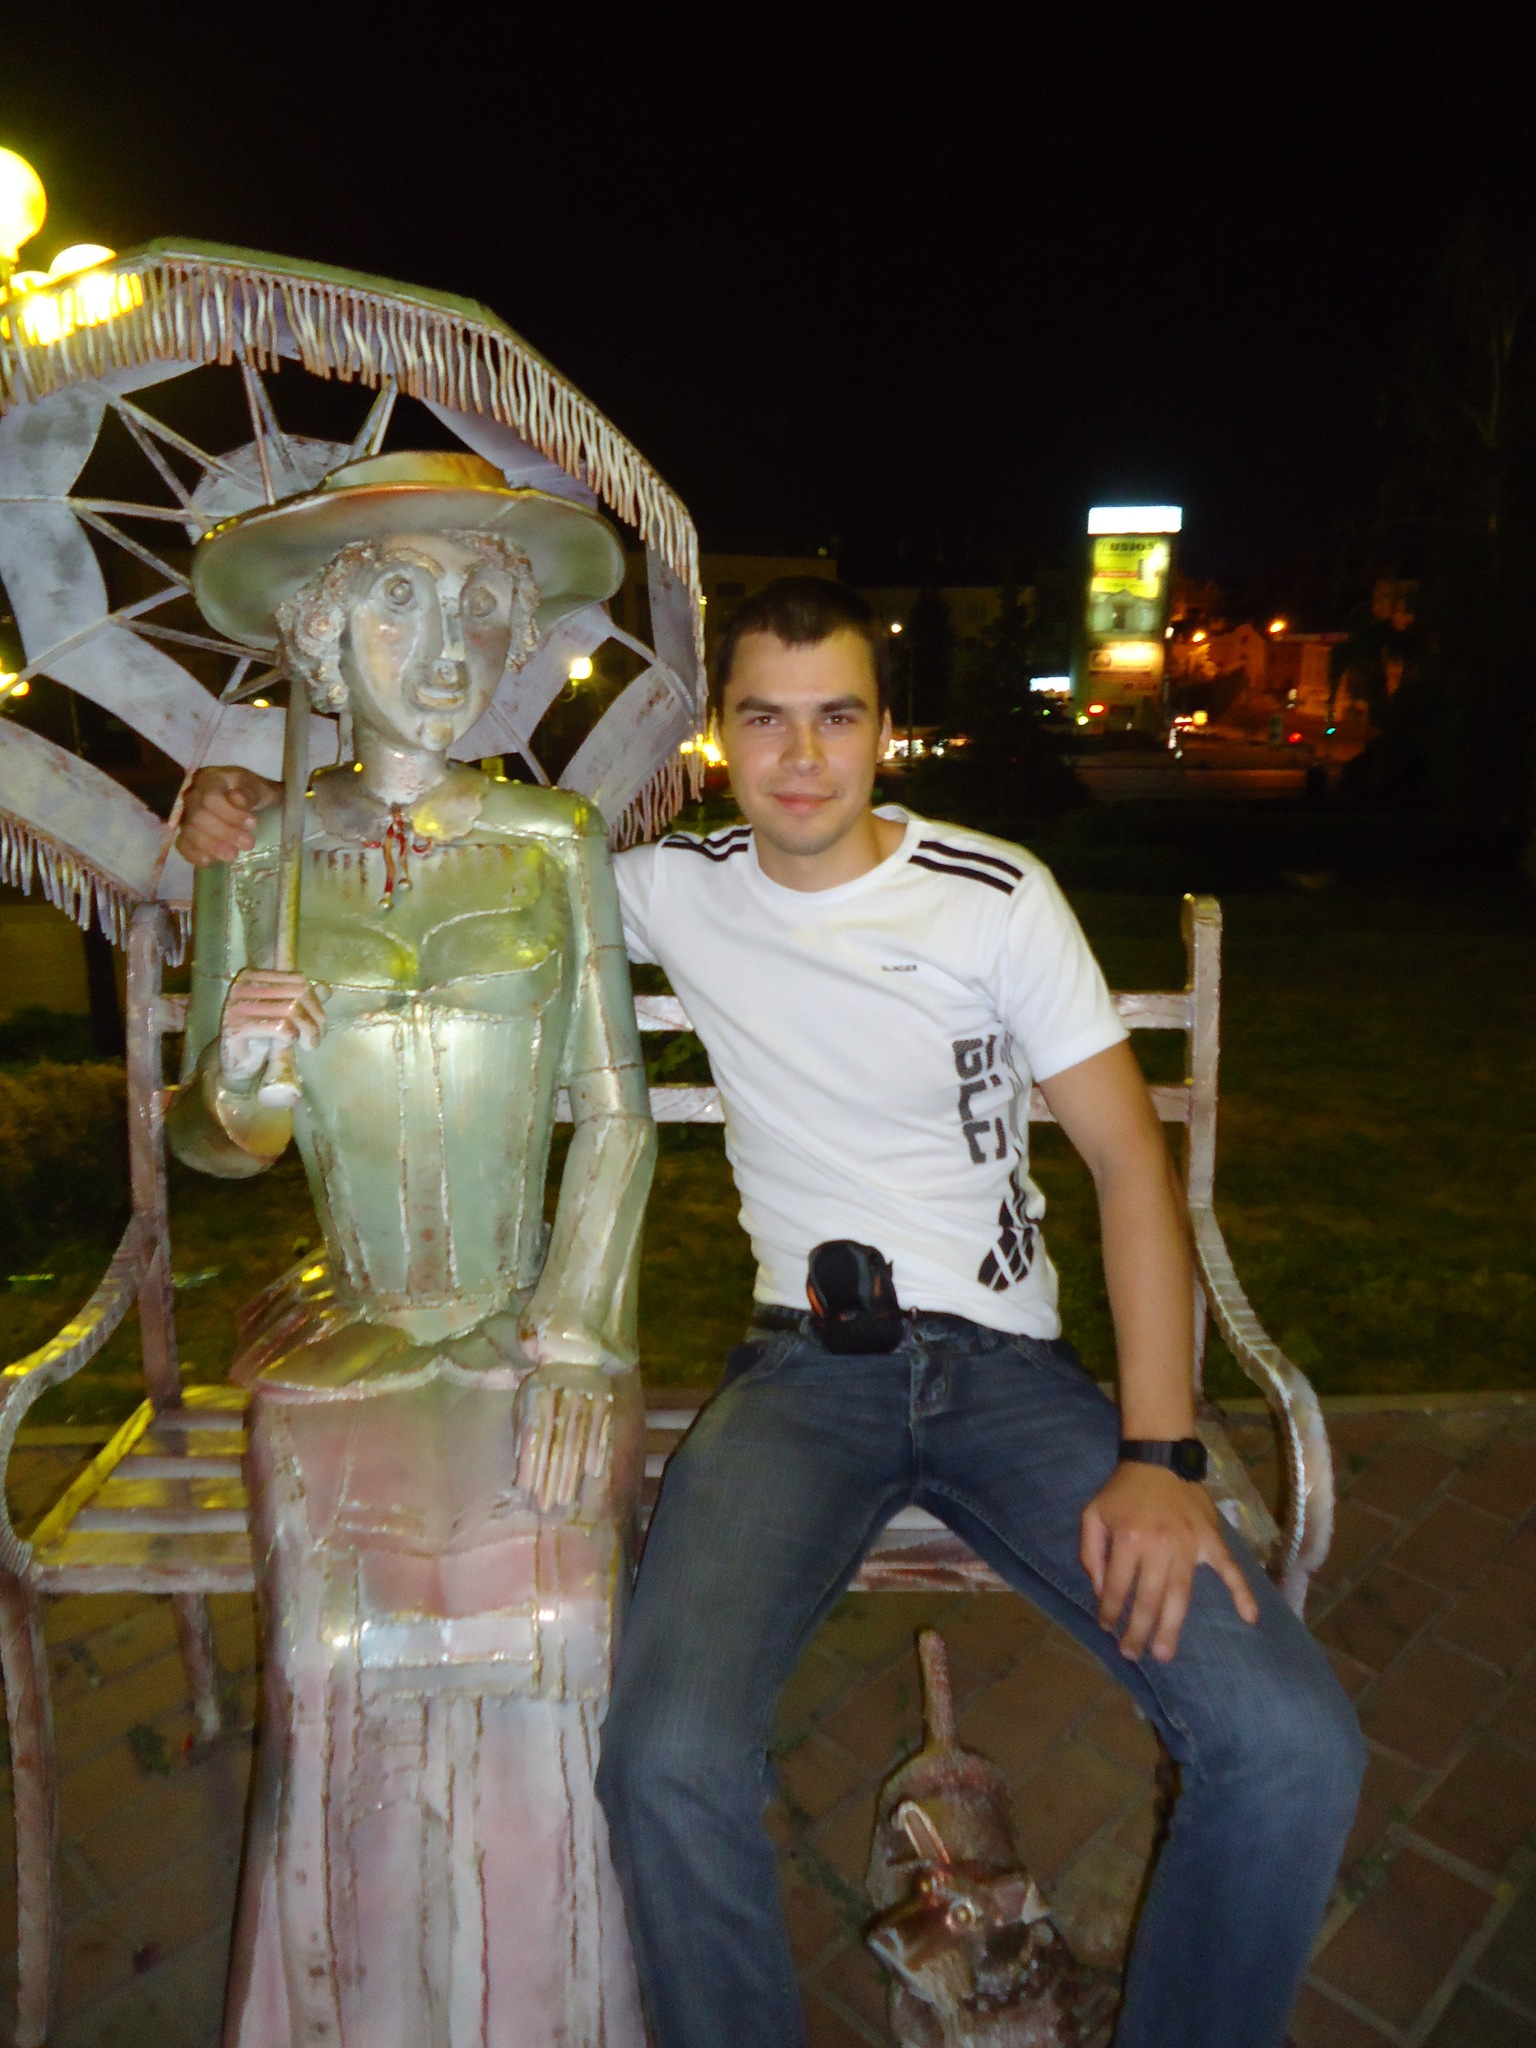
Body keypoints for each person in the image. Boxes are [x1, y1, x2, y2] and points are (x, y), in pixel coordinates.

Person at [177, 576, 1364, 2048]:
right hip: (801, 1380)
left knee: (1291, 1746)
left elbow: (1131, 1167)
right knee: (664, 1759)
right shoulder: (674, 885)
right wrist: (245, 806)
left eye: (836, 719)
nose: (802, 758)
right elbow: (445, 850)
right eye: (765, 721)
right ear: (721, 738)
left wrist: (1162, 1455)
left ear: (883, 732)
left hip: (1009, 1378)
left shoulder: (995, 895)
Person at [171, 451, 652, 2048]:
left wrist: (578, 1335)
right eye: (397, 600)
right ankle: (348, 2007)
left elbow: (617, 1116)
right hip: (355, 1327)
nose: (448, 647)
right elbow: (218, 1142)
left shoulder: (552, 837)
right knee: (329, 1653)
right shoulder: (258, 858)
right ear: (316, 639)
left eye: (479, 609)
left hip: (532, 1323)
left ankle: (555, 2004)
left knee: (564, 1633)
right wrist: (246, 1074)